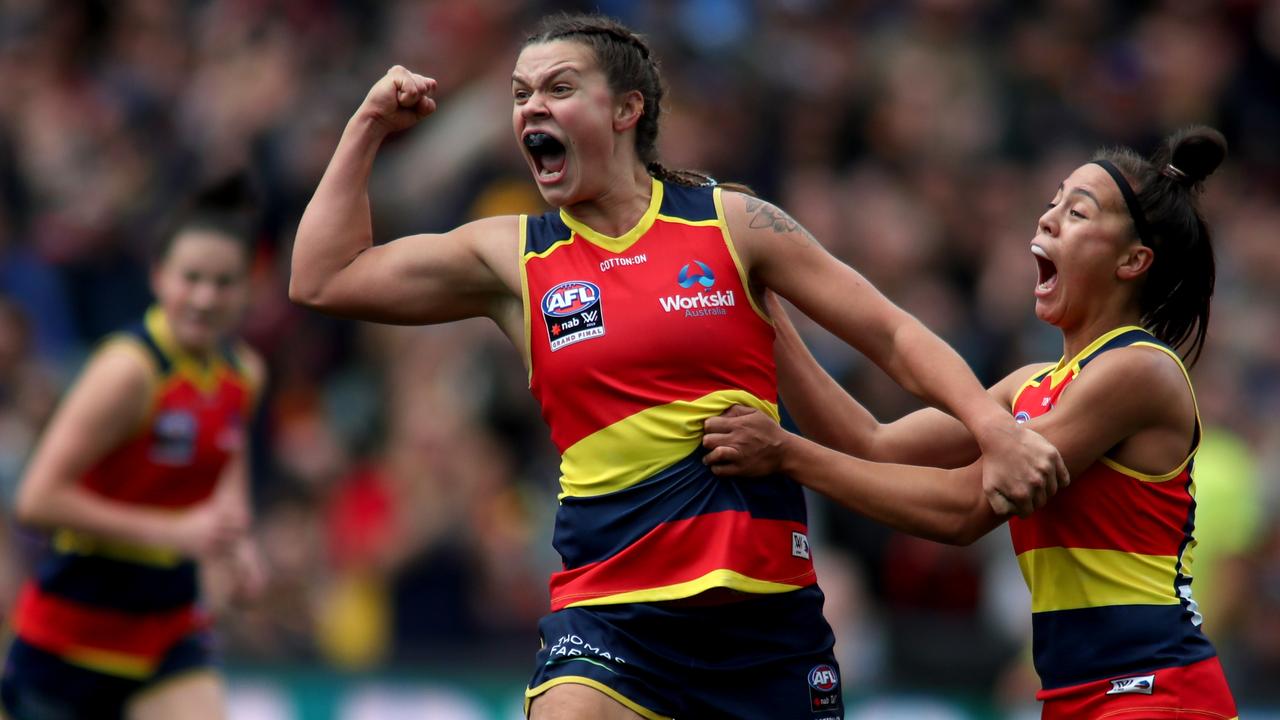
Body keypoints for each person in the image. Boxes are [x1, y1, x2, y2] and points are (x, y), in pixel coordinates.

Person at [288, 12, 1065, 719]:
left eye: (560, 87)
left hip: (765, 622)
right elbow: (322, 277)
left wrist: (994, 430)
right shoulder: (512, 254)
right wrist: (367, 125)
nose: (531, 107)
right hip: (611, 620)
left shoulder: (732, 222)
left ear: (627, 110)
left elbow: (893, 335)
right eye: (521, 92)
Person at [703, 127, 1239, 719]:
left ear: (1134, 260)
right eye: (1053, 202)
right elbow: (869, 441)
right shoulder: (1029, 384)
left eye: (1077, 211)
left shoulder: (1140, 370)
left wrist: (787, 455)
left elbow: (965, 511)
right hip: (1078, 695)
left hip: (1157, 691)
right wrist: (757, 294)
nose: (1048, 220)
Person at [2, 176, 267, 720]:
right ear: (157, 277)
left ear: (247, 290)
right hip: (72, 633)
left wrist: (237, 545)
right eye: (190, 278)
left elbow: (223, 479)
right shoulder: (129, 372)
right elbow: (36, 499)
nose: (205, 298)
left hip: (167, 626)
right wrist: (169, 531)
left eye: (224, 282)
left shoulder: (243, 374)